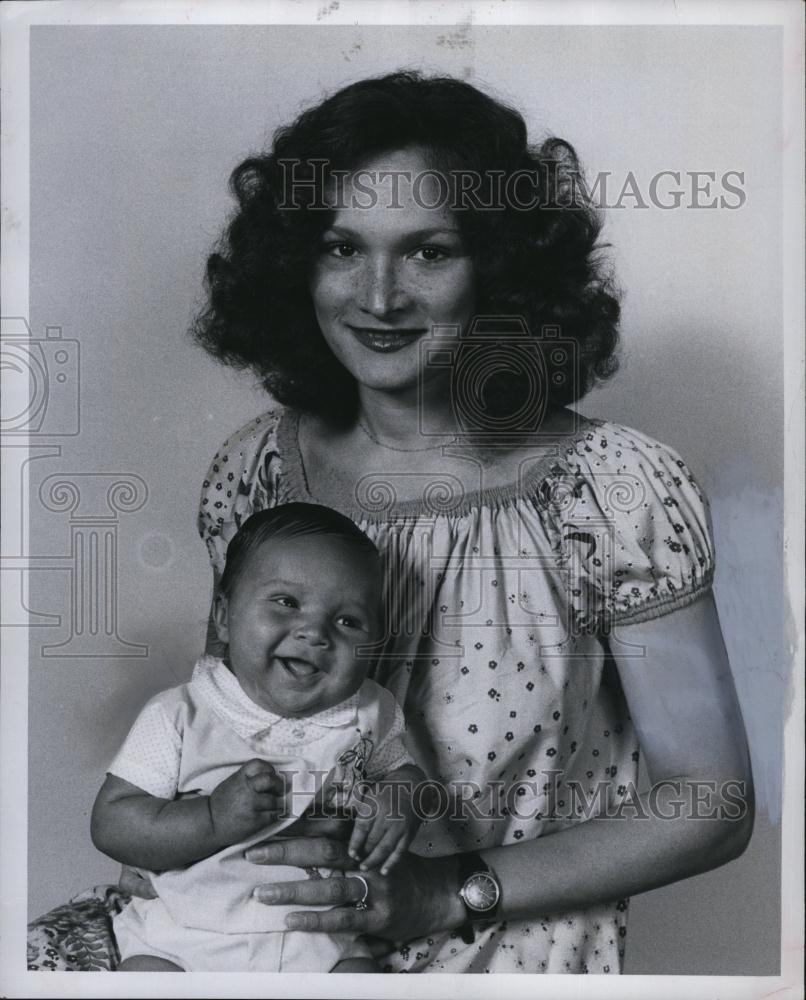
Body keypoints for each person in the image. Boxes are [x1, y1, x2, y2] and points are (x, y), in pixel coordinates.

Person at [27, 70, 754, 975]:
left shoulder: (614, 490)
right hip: (242, 949)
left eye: (428, 252)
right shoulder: (259, 468)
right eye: (341, 247)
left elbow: (712, 801)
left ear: (499, 268)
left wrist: (445, 891)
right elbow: (230, 722)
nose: (378, 297)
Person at [90, 503, 426, 972]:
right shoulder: (181, 714)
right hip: (183, 935)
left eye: (348, 621)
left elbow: (399, 770)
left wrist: (402, 797)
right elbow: (112, 822)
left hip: (320, 939)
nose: (315, 632)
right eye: (286, 602)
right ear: (224, 617)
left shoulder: (369, 711)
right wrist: (212, 818)